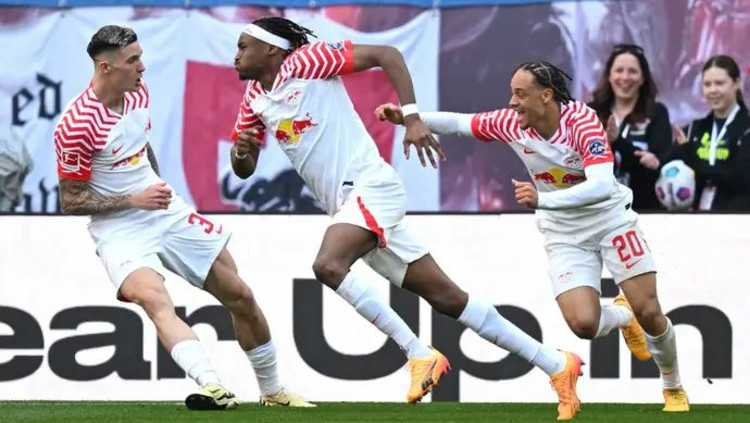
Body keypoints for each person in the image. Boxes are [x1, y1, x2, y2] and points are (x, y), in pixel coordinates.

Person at [230, 17, 583, 419]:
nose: (236, 55)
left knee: (328, 265)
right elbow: (244, 169)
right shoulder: (253, 99)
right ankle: (556, 364)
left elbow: (388, 54)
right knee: (450, 299)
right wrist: (242, 152)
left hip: (370, 187)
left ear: (271, 49)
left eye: (243, 46)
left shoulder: (307, 61)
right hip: (349, 207)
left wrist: (413, 118)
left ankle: (418, 353)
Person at [376, 61, 689, 412]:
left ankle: (672, 386)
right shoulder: (511, 122)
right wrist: (409, 118)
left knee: (649, 310)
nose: (512, 102)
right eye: (512, 93)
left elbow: (602, 186)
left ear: (546, 96)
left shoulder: (582, 122)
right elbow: (461, 123)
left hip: (610, 220)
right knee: (584, 324)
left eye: (520, 94)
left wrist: (543, 200)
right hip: (564, 232)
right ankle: (622, 316)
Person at [55, 25, 312, 410]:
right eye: (133, 61)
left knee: (240, 295)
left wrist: (154, 187)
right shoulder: (76, 126)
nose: (142, 67)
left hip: (163, 208)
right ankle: (213, 387)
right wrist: (134, 199)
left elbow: (140, 146)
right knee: (153, 300)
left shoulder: (137, 92)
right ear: (105, 68)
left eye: (141, 57)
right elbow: (71, 201)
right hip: (120, 227)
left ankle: (273, 392)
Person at [588, 44, 673, 211]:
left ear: (642, 78)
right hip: (598, 212)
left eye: (633, 71)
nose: (625, 77)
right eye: (619, 70)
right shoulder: (591, 112)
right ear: (609, 75)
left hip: (643, 211)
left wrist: (618, 141)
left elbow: (657, 168)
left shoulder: (657, 113)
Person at [672, 55, 750, 211]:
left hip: (738, 220)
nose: (712, 90)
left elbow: (741, 178)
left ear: (736, 83)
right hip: (696, 219)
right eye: (707, 84)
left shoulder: (747, 128)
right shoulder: (694, 129)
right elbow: (667, 165)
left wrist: (691, 158)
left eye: (719, 83)